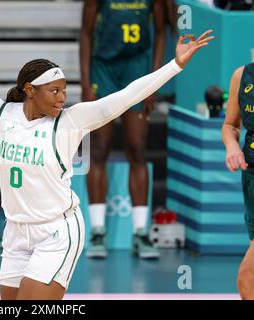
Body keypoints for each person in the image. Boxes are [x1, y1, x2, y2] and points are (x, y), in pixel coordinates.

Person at [0, 18, 213, 300]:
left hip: (57, 231)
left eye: (64, 89)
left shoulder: (71, 121)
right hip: (15, 231)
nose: (63, 96)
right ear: (30, 90)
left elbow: (123, 97)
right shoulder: (0, 114)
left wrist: (175, 65)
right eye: (54, 90)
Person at [80, 0, 176, 259]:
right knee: (99, 148)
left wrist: (153, 80)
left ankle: (140, 233)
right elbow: (85, 33)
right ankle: (98, 231)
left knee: (137, 149)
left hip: (136, 69)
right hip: (104, 70)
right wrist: (86, 82)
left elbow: (160, 33)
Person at [222, 64, 254, 300]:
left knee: (247, 278)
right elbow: (230, 125)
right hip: (251, 177)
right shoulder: (242, 76)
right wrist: (232, 146)